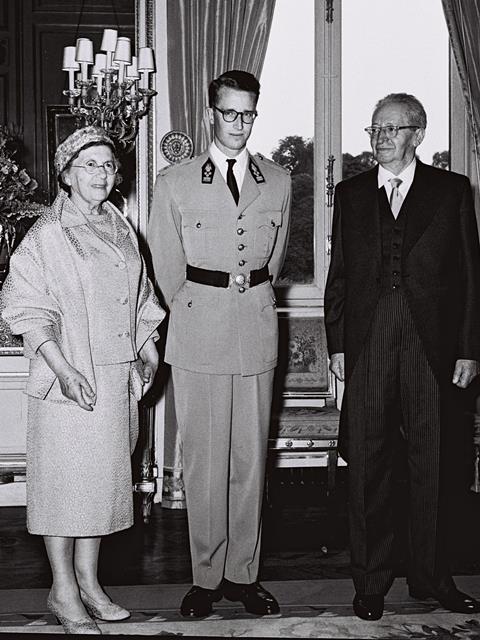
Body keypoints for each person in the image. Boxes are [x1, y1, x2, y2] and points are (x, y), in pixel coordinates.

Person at [0, 125, 165, 635]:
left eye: (108, 165)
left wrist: (147, 350)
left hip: (116, 383)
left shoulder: (118, 225)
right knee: (65, 490)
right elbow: (26, 307)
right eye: (89, 164)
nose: (101, 173)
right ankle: (62, 591)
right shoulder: (48, 234)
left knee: (100, 490)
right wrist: (64, 369)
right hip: (67, 381)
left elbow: (140, 298)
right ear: (67, 175)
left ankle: (90, 584)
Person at [324, 93, 480, 621]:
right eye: (376, 129)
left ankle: (431, 578)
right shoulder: (349, 194)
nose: (382, 137)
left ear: (419, 134)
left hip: (430, 345)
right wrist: (338, 345)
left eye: (393, 128)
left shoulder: (452, 191)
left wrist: (469, 349)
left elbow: (471, 279)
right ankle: (369, 581)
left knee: (434, 463)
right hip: (369, 340)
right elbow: (339, 276)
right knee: (367, 463)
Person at [148, 70, 291, 618]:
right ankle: (205, 577)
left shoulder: (277, 180)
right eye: (229, 113)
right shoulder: (176, 181)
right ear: (212, 113)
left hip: (254, 328)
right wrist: (198, 308)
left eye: (248, 114)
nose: (238, 124)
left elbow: (273, 261)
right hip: (199, 329)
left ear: (256, 113)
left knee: (250, 461)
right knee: (204, 460)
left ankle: (244, 575)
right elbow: (166, 266)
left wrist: (245, 294)